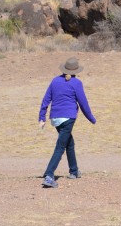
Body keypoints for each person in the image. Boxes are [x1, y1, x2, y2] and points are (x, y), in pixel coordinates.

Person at [38, 57, 96, 188]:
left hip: (55, 119)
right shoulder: (76, 83)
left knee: (69, 142)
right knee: (60, 146)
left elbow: (45, 100)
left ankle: (74, 171)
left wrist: (42, 118)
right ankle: (49, 176)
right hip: (68, 118)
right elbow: (83, 103)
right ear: (76, 71)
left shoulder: (55, 81)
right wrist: (91, 118)